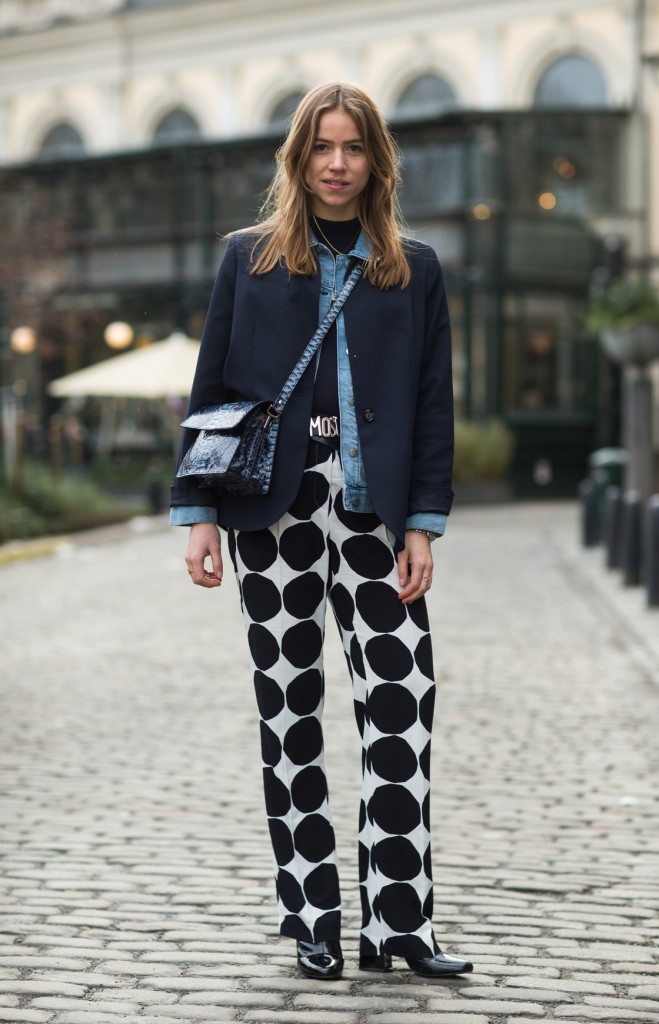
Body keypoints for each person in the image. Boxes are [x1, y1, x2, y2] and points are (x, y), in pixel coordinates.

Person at [170, 81, 473, 982]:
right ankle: (311, 912)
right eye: (321, 148)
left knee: (402, 709)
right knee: (289, 711)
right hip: (275, 517)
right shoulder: (248, 260)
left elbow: (431, 404)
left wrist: (422, 522)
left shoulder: (413, 266)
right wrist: (198, 518)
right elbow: (212, 393)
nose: (337, 164)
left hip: (375, 520)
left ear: (378, 160)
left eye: (354, 148)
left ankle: (399, 923)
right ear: (297, 159)